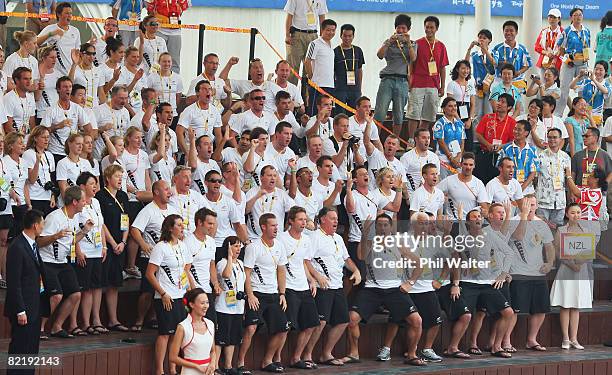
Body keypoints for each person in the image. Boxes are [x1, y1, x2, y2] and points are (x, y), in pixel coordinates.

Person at [348, 213, 425, 366]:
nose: (382, 228)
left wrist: (410, 283)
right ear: (375, 227)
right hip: (372, 289)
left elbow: (419, 264)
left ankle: (411, 354)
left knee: (417, 321)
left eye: (385, 225)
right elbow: (361, 256)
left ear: (390, 227)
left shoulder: (398, 243)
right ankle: (354, 353)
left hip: (394, 290)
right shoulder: (370, 242)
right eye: (379, 225)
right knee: (352, 319)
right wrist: (364, 235)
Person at [303, 207, 361, 367]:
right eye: (332, 218)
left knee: (343, 320)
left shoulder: (338, 238)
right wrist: (317, 276)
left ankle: (326, 353)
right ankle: (307, 354)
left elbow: (346, 259)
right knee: (320, 322)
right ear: (322, 219)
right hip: (323, 287)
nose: (336, 221)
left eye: (336, 218)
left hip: (338, 286)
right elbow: (306, 261)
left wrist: (356, 270)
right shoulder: (315, 237)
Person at [459, 206, 514, 359]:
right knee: (468, 314)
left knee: (508, 312)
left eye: (479, 217)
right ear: (468, 222)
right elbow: (455, 255)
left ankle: (496, 347)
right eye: (474, 217)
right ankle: (466, 345)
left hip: (487, 283)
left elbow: (509, 252)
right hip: (468, 283)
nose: (478, 219)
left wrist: (503, 273)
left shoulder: (489, 235)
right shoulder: (462, 237)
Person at [37, 186, 92, 338]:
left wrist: (84, 231)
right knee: (56, 296)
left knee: (75, 294)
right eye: (82, 200)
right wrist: (55, 236)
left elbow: (71, 241)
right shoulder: (55, 217)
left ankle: (56, 326)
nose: (85, 203)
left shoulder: (73, 218)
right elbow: (39, 241)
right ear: (74, 202)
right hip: (47, 262)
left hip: (62, 261)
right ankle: (40, 328)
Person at [238, 213, 289, 373]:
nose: (276, 228)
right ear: (263, 227)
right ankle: (240, 363)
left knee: (283, 328)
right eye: (272, 225)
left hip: (273, 294)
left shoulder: (279, 246)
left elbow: (281, 271)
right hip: (257, 293)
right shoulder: (254, 247)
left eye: (276, 225)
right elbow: (246, 273)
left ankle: (267, 361)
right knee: (251, 328)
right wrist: (250, 295)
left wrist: (282, 294)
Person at [504, 195, 555, 353]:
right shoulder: (513, 221)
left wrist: (549, 263)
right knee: (514, 311)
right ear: (521, 206)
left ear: (537, 205)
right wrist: (524, 216)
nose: (530, 207)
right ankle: (506, 340)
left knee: (540, 310)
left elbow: (549, 247)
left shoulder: (542, 224)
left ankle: (531, 339)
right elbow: (518, 236)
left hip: (537, 273)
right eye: (527, 204)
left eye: (533, 204)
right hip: (518, 272)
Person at [146, 214, 195, 375]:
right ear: (170, 228)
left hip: (181, 295)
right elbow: (150, 274)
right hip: (166, 297)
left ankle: (172, 368)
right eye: (179, 225)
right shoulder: (161, 247)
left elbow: (186, 269)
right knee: (165, 333)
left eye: (183, 225)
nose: (182, 228)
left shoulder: (183, 245)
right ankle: (160, 370)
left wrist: (190, 290)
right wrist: (163, 293)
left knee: (177, 333)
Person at [129, 180, 179, 331]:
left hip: (169, 257)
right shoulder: (148, 210)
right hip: (150, 257)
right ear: (156, 192)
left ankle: (153, 317)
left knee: (164, 288)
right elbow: (135, 229)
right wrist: (143, 245)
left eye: (169, 189)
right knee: (148, 290)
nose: (169, 192)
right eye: (166, 189)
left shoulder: (172, 209)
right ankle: (139, 320)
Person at [273, 207, 319, 369]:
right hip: (289, 287)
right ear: (291, 221)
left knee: (312, 323)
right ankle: (277, 358)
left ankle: (296, 357)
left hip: (303, 286)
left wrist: (312, 280)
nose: (303, 223)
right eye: (300, 219)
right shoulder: (281, 238)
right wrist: (281, 290)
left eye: (305, 220)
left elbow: (303, 262)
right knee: (286, 326)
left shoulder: (306, 239)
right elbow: (279, 265)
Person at [5, 209, 47, 375]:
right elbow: (14, 282)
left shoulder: (32, 244)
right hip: (22, 310)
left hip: (34, 306)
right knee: (19, 349)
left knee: (31, 350)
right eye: (42, 223)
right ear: (35, 226)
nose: (44, 226)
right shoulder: (17, 247)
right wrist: (20, 310)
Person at [68, 172, 110, 336]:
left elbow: (100, 225)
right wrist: (77, 251)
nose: (95, 186)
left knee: (96, 287)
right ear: (82, 186)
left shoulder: (97, 202)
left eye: (96, 183)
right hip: (84, 251)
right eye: (92, 183)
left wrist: (105, 247)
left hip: (97, 250)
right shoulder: (78, 204)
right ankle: (79, 323)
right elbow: (74, 228)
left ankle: (95, 320)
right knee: (83, 288)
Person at [550, 203, 592, 350]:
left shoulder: (585, 230)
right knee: (565, 305)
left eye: (579, 213)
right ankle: (565, 338)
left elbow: (588, 251)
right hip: (566, 270)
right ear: (567, 214)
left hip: (581, 270)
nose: (576, 215)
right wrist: (571, 263)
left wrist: (580, 262)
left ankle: (574, 338)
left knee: (576, 306)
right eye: (573, 212)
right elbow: (557, 251)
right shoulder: (561, 229)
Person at [95, 164, 130, 333]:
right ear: (108, 178)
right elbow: (101, 222)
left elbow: (126, 220)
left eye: (121, 177)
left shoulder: (123, 196)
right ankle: (96, 319)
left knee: (115, 283)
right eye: (117, 176)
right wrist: (112, 242)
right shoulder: (101, 196)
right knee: (102, 282)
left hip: (120, 244)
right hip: (106, 245)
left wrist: (123, 242)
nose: (119, 180)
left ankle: (113, 319)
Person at [406, 16, 449, 139]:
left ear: (436, 29)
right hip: (417, 83)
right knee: (414, 114)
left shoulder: (441, 46)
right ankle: (411, 141)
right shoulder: (417, 43)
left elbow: (442, 67)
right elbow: (411, 63)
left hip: (433, 85)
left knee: (428, 116)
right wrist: (410, 80)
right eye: (427, 27)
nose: (429, 30)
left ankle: (421, 139)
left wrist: (442, 86)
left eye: (431, 27)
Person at [374, 14, 415, 141]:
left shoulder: (412, 44)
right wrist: (388, 42)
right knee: (380, 112)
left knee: (398, 115)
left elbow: (413, 59)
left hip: (403, 81)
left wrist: (407, 43)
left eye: (403, 28)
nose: (401, 31)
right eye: (398, 28)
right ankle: (375, 141)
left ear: (408, 29)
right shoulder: (389, 42)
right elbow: (380, 55)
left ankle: (395, 141)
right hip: (387, 79)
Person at [42, 77, 91, 163]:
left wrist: (79, 141)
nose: (68, 89)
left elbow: (89, 129)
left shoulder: (77, 108)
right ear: (58, 89)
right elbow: (42, 131)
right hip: (56, 152)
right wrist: (58, 126)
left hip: (73, 153)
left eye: (70, 86)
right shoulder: (51, 110)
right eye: (65, 87)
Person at [184, 207, 219, 325]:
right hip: (193, 292)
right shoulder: (188, 242)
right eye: (209, 223)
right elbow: (185, 269)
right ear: (199, 222)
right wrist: (193, 291)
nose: (212, 227)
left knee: (211, 326)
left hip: (207, 291)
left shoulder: (211, 241)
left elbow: (212, 265)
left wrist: (215, 284)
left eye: (213, 224)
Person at [169, 288, 216, 375]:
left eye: (207, 302)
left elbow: (213, 351)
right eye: (202, 303)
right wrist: (196, 366)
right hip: (190, 371)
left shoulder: (210, 324)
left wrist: (213, 364)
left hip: (208, 371)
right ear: (191, 304)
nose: (206, 306)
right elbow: (173, 357)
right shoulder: (183, 327)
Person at [474, 93, 516, 184]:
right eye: (499, 101)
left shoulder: (512, 122)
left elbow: (513, 141)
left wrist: (501, 146)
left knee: (497, 184)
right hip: (485, 154)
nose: (499, 103)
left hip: (501, 157)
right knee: (480, 182)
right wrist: (488, 145)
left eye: (503, 102)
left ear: (509, 107)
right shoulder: (487, 117)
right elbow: (478, 134)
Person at [284, 0, 328, 86]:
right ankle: (290, 95)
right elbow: (289, 16)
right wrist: (287, 35)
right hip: (297, 35)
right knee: (293, 66)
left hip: (313, 35)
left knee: (310, 68)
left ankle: (307, 97)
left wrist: (323, 36)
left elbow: (322, 17)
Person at [558, 7, 592, 117]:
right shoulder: (567, 31)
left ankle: (583, 113)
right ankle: (558, 115)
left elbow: (587, 47)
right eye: (575, 15)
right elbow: (561, 49)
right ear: (571, 17)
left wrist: (586, 59)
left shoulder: (587, 31)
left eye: (580, 15)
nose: (578, 17)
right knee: (564, 88)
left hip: (582, 63)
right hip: (569, 63)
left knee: (583, 88)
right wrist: (566, 60)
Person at [245, 165, 295, 240]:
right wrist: (257, 197)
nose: (273, 178)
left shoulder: (281, 194)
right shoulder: (252, 192)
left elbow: (294, 211)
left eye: (275, 176)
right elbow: (245, 211)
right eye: (269, 175)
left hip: (277, 239)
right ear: (261, 177)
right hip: (255, 238)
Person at [535, 128, 572, 230]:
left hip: (559, 201)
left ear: (560, 139)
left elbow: (568, 178)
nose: (552, 140)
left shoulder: (566, 157)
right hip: (543, 201)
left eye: (555, 137)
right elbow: (534, 177)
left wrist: (569, 197)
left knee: (558, 231)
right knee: (540, 231)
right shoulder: (540, 156)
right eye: (550, 137)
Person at [438, 152, 490, 219]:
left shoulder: (478, 183)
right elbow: (434, 192)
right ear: (461, 164)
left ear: (474, 166)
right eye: (465, 164)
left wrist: (484, 212)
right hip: (453, 222)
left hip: (470, 223)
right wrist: (442, 198)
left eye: (471, 165)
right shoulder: (449, 180)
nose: (468, 167)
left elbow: (484, 208)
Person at [178, 80, 223, 154]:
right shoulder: (189, 110)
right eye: (204, 89)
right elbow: (179, 132)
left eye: (209, 89)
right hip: (192, 150)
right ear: (197, 93)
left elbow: (218, 135)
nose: (208, 91)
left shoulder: (215, 111)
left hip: (208, 151)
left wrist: (218, 154)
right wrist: (187, 153)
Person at [36, 2, 81, 76]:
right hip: (55, 72)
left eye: (71, 13)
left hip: (72, 71)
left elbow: (77, 51)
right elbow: (36, 43)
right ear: (59, 14)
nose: (69, 16)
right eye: (67, 13)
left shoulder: (75, 31)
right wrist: (51, 34)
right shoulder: (50, 28)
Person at [146, 0, 189, 73]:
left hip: (175, 31)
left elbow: (183, 7)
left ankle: (174, 81)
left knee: (174, 60)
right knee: (157, 57)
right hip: (159, 30)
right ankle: (156, 80)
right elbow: (149, 10)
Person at [498, 120, 540, 194]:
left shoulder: (532, 150)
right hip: (508, 187)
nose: (515, 131)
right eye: (515, 129)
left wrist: (522, 187)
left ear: (526, 133)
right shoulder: (506, 148)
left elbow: (533, 171)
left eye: (519, 129)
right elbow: (500, 168)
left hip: (527, 189)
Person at [305, 19, 337, 116]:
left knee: (327, 114)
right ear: (322, 30)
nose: (331, 32)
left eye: (333, 30)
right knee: (314, 113)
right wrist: (312, 78)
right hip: (317, 85)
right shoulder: (315, 43)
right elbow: (307, 61)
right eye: (328, 30)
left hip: (330, 85)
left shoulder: (331, 46)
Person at [22, 126, 56, 216]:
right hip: (34, 197)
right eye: (43, 137)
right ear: (35, 138)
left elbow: (52, 178)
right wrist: (37, 161)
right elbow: (31, 180)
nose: (46, 140)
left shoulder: (49, 155)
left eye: (48, 137)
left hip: (47, 198)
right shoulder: (28, 154)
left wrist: (53, 196)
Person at [333, 24, 365, 115]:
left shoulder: (358, 50)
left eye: (350, 36)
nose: (347, 38)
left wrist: (359, 87)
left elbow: (360, 70)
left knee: (353, 114)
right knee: (340, 114)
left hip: (355, 89)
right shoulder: (335, 51)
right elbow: (332, 72)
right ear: (340, 35)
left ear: (353, 36)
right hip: (340, 89)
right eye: (345, 36)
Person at [491, 20, 532, 90]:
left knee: (516, 101)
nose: (508, 33)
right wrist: (502, 63)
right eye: (506, 31)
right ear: (503, 32)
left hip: (517, 81)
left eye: (511, 31)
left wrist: (518, 72)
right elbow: (493, 63)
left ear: (516, 32)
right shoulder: (497, 48)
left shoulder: (522, 49)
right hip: (500, 81)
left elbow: (527, 65)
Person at [3, 132, 29, 241]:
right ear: (10, 146)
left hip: (22, 205)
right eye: (19, 143)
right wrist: (11, 195)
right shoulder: (4, 161)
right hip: (10, 205)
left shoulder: (24, 162)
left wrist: (29, 204)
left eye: (23, 143)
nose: (23, 145)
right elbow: (2, 183)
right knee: (9, 239)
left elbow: (25, 185)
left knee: (21, 238)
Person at [569, 60, 611, 126]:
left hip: (596, 118)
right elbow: (571, 86)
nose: (597, 72)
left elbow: (605, 91)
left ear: (605, 72)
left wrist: (594, 80)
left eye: (601, 70)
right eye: (596, 69)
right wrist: (579, 76)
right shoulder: (586, 82)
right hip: (584, 115)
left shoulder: (607, 85)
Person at [447, 60, 477, 151]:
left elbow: (473, 104)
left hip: (467, 114)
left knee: (468, 143)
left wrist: (470, 120)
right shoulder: (452, 84)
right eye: (463, 68)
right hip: (454, 113)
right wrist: (458, 120)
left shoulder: (470, 84)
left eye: (468, 69)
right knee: (456, 142)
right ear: (457, 69)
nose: (466, 71)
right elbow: (450, 103)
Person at [433, 97, 466, 178]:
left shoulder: (460, 124)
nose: (453, 108)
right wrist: (451, 158)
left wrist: (458, 157)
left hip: (457, 161)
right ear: (444, 108)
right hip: (443, 160)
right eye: (450, 106)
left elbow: (462, 142)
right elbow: (441, 141)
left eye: (455, 106)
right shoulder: (439, 123)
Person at [400, 128, 440, 194]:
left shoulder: (434, 157)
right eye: (424, 138)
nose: (427, 140)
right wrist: (407, 198)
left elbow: (437, 178)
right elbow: (401, 179)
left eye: (428, 138)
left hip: (429, 196)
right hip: (412, 196)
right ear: (416, 139)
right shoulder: (406, 157)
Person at [68, 43, 106, 110]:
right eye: (88, 54)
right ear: (81, 54)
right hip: (79, 108)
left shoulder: (99, 71)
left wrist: (105, 110)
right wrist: (74, 64)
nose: (91, 57)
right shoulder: (74, 69)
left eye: (93, 54)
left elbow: (101, 93)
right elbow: (68, 86)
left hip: (95, 108)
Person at [147, 53, 183, 120]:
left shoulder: (177, 78)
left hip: (172, 114)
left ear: (172, 62)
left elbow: (178, 96)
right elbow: (148, 96)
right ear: (159, 62)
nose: (167, 64)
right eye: (164, 61)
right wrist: (153, 106)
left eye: (169, 61)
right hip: (156, 114)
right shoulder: (151, 77)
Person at [4, 67, 36, 136]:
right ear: (17, 80)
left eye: (30, 79)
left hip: (28, 138)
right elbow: (8, 128)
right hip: (14, 139)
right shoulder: (8, 98)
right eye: (25, 79)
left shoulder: (30, 97)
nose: (29, 82)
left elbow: (32, 122)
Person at [534, 9, 563, 77]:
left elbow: (564, 48)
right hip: (544, 62)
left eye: (554, 17)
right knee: (543, 83)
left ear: (559, 19)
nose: (552, 19)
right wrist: (546, 53)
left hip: (557, 63)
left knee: (557, 84)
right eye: (550, 17)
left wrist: (555, 56)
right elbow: (537, 47)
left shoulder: (563, 32)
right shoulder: (544, 31)